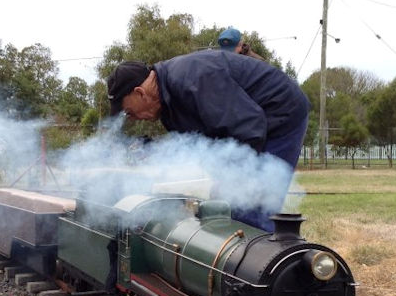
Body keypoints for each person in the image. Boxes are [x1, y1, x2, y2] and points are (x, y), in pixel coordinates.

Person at [106, 52, 310, 231]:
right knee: (227, 206)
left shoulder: (193, 80)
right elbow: (203, 146)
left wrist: (228, 181)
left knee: (251, 206)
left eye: (128, 112)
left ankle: (261, 257)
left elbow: (249, 129)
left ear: (140, 93)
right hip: (253, 124)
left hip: (280, 114)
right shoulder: (168, 107)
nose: (132, 118)